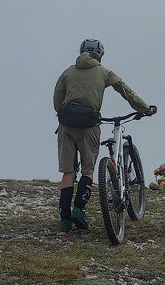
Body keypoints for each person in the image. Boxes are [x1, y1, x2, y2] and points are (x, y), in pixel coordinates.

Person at [53, 38, 155, 232]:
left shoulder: (67, 72)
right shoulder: (104, 72)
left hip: (66, 126)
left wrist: (64, 117)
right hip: (89, 126)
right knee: (88, 170)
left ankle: (64, 220)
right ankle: (78, 210)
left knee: (68, 172)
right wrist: (145, 108)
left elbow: (57, 99)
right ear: (101, 55)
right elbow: (125, 91)